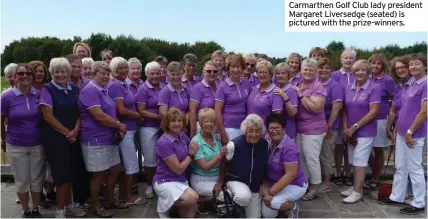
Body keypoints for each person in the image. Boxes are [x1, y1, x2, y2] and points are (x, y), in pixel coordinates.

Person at [378, 53, 427, 215]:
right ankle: (397, 196)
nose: (413, 67)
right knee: (400, 166)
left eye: (416, 64)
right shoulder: (410, 84)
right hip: (401, 132)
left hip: (414, 133)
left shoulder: (425, 84)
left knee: (414, 168)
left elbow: (423, 112)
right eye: (411, 64)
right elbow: (402, 110)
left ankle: (419, 202)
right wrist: (396, 129)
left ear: (424, 65)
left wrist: (410, 131)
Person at [79, 61, 128, 218]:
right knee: (98, 174)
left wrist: (116, 127)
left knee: (115, 168)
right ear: (93, 74)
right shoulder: (89, 91)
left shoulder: (104, 90)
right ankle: (96, 205)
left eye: (108, 73)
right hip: (94, 139)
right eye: (103, 73)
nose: (106, 76)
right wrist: (119, 126)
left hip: (109, 138)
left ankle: (108, 199)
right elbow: (99, 116)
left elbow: (110, 113)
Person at [40, 57, 87, 218]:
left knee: (71, 173)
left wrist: (75, 129)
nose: (60, 74)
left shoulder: (74, 89)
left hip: (73, 136)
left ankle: (69, 205)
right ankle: (60, 210)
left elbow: (80, 113)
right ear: (51, 72)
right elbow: (48, 116)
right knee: (61, 175)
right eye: (56, 71)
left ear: (69, 72)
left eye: (63, 71)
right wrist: (67, 132)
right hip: (56, 139)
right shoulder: (47, 89)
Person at [1, 63, 44, 218]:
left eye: (28, 73)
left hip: (37, 143)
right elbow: (1, 120)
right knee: (22, 179)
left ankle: (35, 208)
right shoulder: (6, 97)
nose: (24, 76)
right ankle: (26, 210)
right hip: (16, 143)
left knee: (37, 179)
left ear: (32, 77)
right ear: (15, 76)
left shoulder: (39, 95)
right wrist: (3, 140)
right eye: (21, 73)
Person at [341, 60, 380, 203]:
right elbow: (344, 110)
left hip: (365, 131)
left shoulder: (374, 88)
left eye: (364, 70)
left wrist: (355, 126)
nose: (360, 73)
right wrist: (346, 129)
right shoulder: (348, 87)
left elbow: (374, 112)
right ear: (353, 72)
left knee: (360, 161)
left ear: (368, 72)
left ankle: (357, 192)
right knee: (352, 160)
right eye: (357, 70)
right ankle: (355, 186)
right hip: (350, 131)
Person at [215, 114, 268, 218]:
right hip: (236, 180)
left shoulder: (264, 144)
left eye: (257, 131)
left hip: (254, 186)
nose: (254, 134)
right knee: (243, 197)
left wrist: (264, 180)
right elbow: (223, 162)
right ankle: (231, 199)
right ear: (245, 130)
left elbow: (265, 164)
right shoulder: (234, 144)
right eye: (250, 130)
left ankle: (242, 206)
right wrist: (220, 181)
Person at [108, 57, 145, 205]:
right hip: (125, 130)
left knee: (126, 164)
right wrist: (139, 115)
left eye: (125, 68)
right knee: (131, 165)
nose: (123, 71)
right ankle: (128, 196)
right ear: (113, 70)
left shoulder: (123, 84)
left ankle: (123, 195)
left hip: (131, 129)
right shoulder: (116, 85)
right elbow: (121, 110)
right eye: (119, 68)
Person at [153, 108, 199, 218]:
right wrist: (191, 155)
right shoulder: (163, 142)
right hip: (165, 180)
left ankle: (169, 202)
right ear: (167, 123)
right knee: (193, 198)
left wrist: (209, 136)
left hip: (181, 179)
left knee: (189, 214)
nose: (177, 124)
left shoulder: (182, 135)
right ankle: (164, 204)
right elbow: (178, 169)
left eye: (179, 121)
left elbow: (194, 143)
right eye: (173, 121)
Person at [292, 58, 327, 201]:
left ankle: (314, 188)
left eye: (311, 70)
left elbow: (316, 108)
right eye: (305, 69)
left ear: (316, 71)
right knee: (301, 158)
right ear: (301, 70)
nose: (307, 72)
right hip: (300, 128)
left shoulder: (318, 86)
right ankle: (305, 184)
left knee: (311, 159)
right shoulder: (297, 83)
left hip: (314, 129)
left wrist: (301, 95)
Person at [261, 113, 308, 218]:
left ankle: (292, 206)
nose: (274, 130)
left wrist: (271, 193)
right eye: (271, 128)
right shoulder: (270, 143)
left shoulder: (289, 147)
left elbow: (290, 175)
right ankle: (283, 203)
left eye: (277, 127)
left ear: (284, 128)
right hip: (275, 183)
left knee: (273, 203)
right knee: (267, 215)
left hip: (294, 184)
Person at [365, 54, 395, 192]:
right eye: (373, 63)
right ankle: (373, 171)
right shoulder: (366, 77)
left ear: (383, 66)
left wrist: (391, 121)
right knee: (365, 149)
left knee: (378, 149)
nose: (375, 66)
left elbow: (393, 99)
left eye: (378, 64)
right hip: (365, 117)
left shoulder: (387, 80)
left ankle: (376, 178)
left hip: (381, 118)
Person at [136, 61, 164, 199]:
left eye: (157, 73)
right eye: (151, 73)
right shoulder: (143, 89)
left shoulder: (164, 87)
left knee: (164, 157)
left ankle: (161, 183)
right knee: (150, 157)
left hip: (164, 127)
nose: (154, 76)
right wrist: (159, 117)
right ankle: (149, 185)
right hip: (148, 127)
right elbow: (141, 110)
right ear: (146, 74)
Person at [190, 108, 226, 213]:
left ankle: (208, 200)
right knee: (225, 196)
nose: (209, 124)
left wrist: (220, 181)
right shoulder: (196, 141)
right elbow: (205, 167)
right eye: (206, 121)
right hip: (201, 178)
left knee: (232, 193)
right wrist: (219, 156)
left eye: (212, 121)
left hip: (216, 177)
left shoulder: (216, 139)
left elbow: (222, 163)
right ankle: (200, 200)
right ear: (200, 123)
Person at [317, 58, 344, 193]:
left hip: (329, 125)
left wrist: (329, 126)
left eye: (327, 68)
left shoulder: (335, 86)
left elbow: (336, 109)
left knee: (326, 154)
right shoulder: (315, 83)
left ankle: (326, 182)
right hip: (315, 126)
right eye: (321, 67)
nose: (323, 70)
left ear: (331, 70)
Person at [215, 54, 251, 145]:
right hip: (229, 128)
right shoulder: (222, 87)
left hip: (245, 127)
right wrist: (223, 133)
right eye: (233, 67)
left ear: (242, 68)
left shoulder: (247, 83)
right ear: (228, 68)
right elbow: (217, 111)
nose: (235, 70)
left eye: (238, 67)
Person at [189, 61, 221, 138]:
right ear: (203, 72)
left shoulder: (220, 86)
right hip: (202, 126)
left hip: (216, 126)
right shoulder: (198, 87)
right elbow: (192, 110)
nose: (212, 73)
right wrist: (193, 130)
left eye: (215, 71)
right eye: (209, 71)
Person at [246, 60, 283, 128]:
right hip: (250, 131)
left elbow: (277, 117)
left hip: (264, 133)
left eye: (265, 72)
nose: (262, 75)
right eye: (259, 72)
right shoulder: (254, 89)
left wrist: (269, 132)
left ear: (271, 74)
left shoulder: (275, 92)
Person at [273, 63, 298, 139]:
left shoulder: (292, 90)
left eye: (283, 73)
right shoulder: (273, 89)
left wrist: (284, 96)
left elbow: (293, 113)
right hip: (274, 131)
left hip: (288, 130)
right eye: (278, 73)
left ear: (288, 75)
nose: (280, 75)